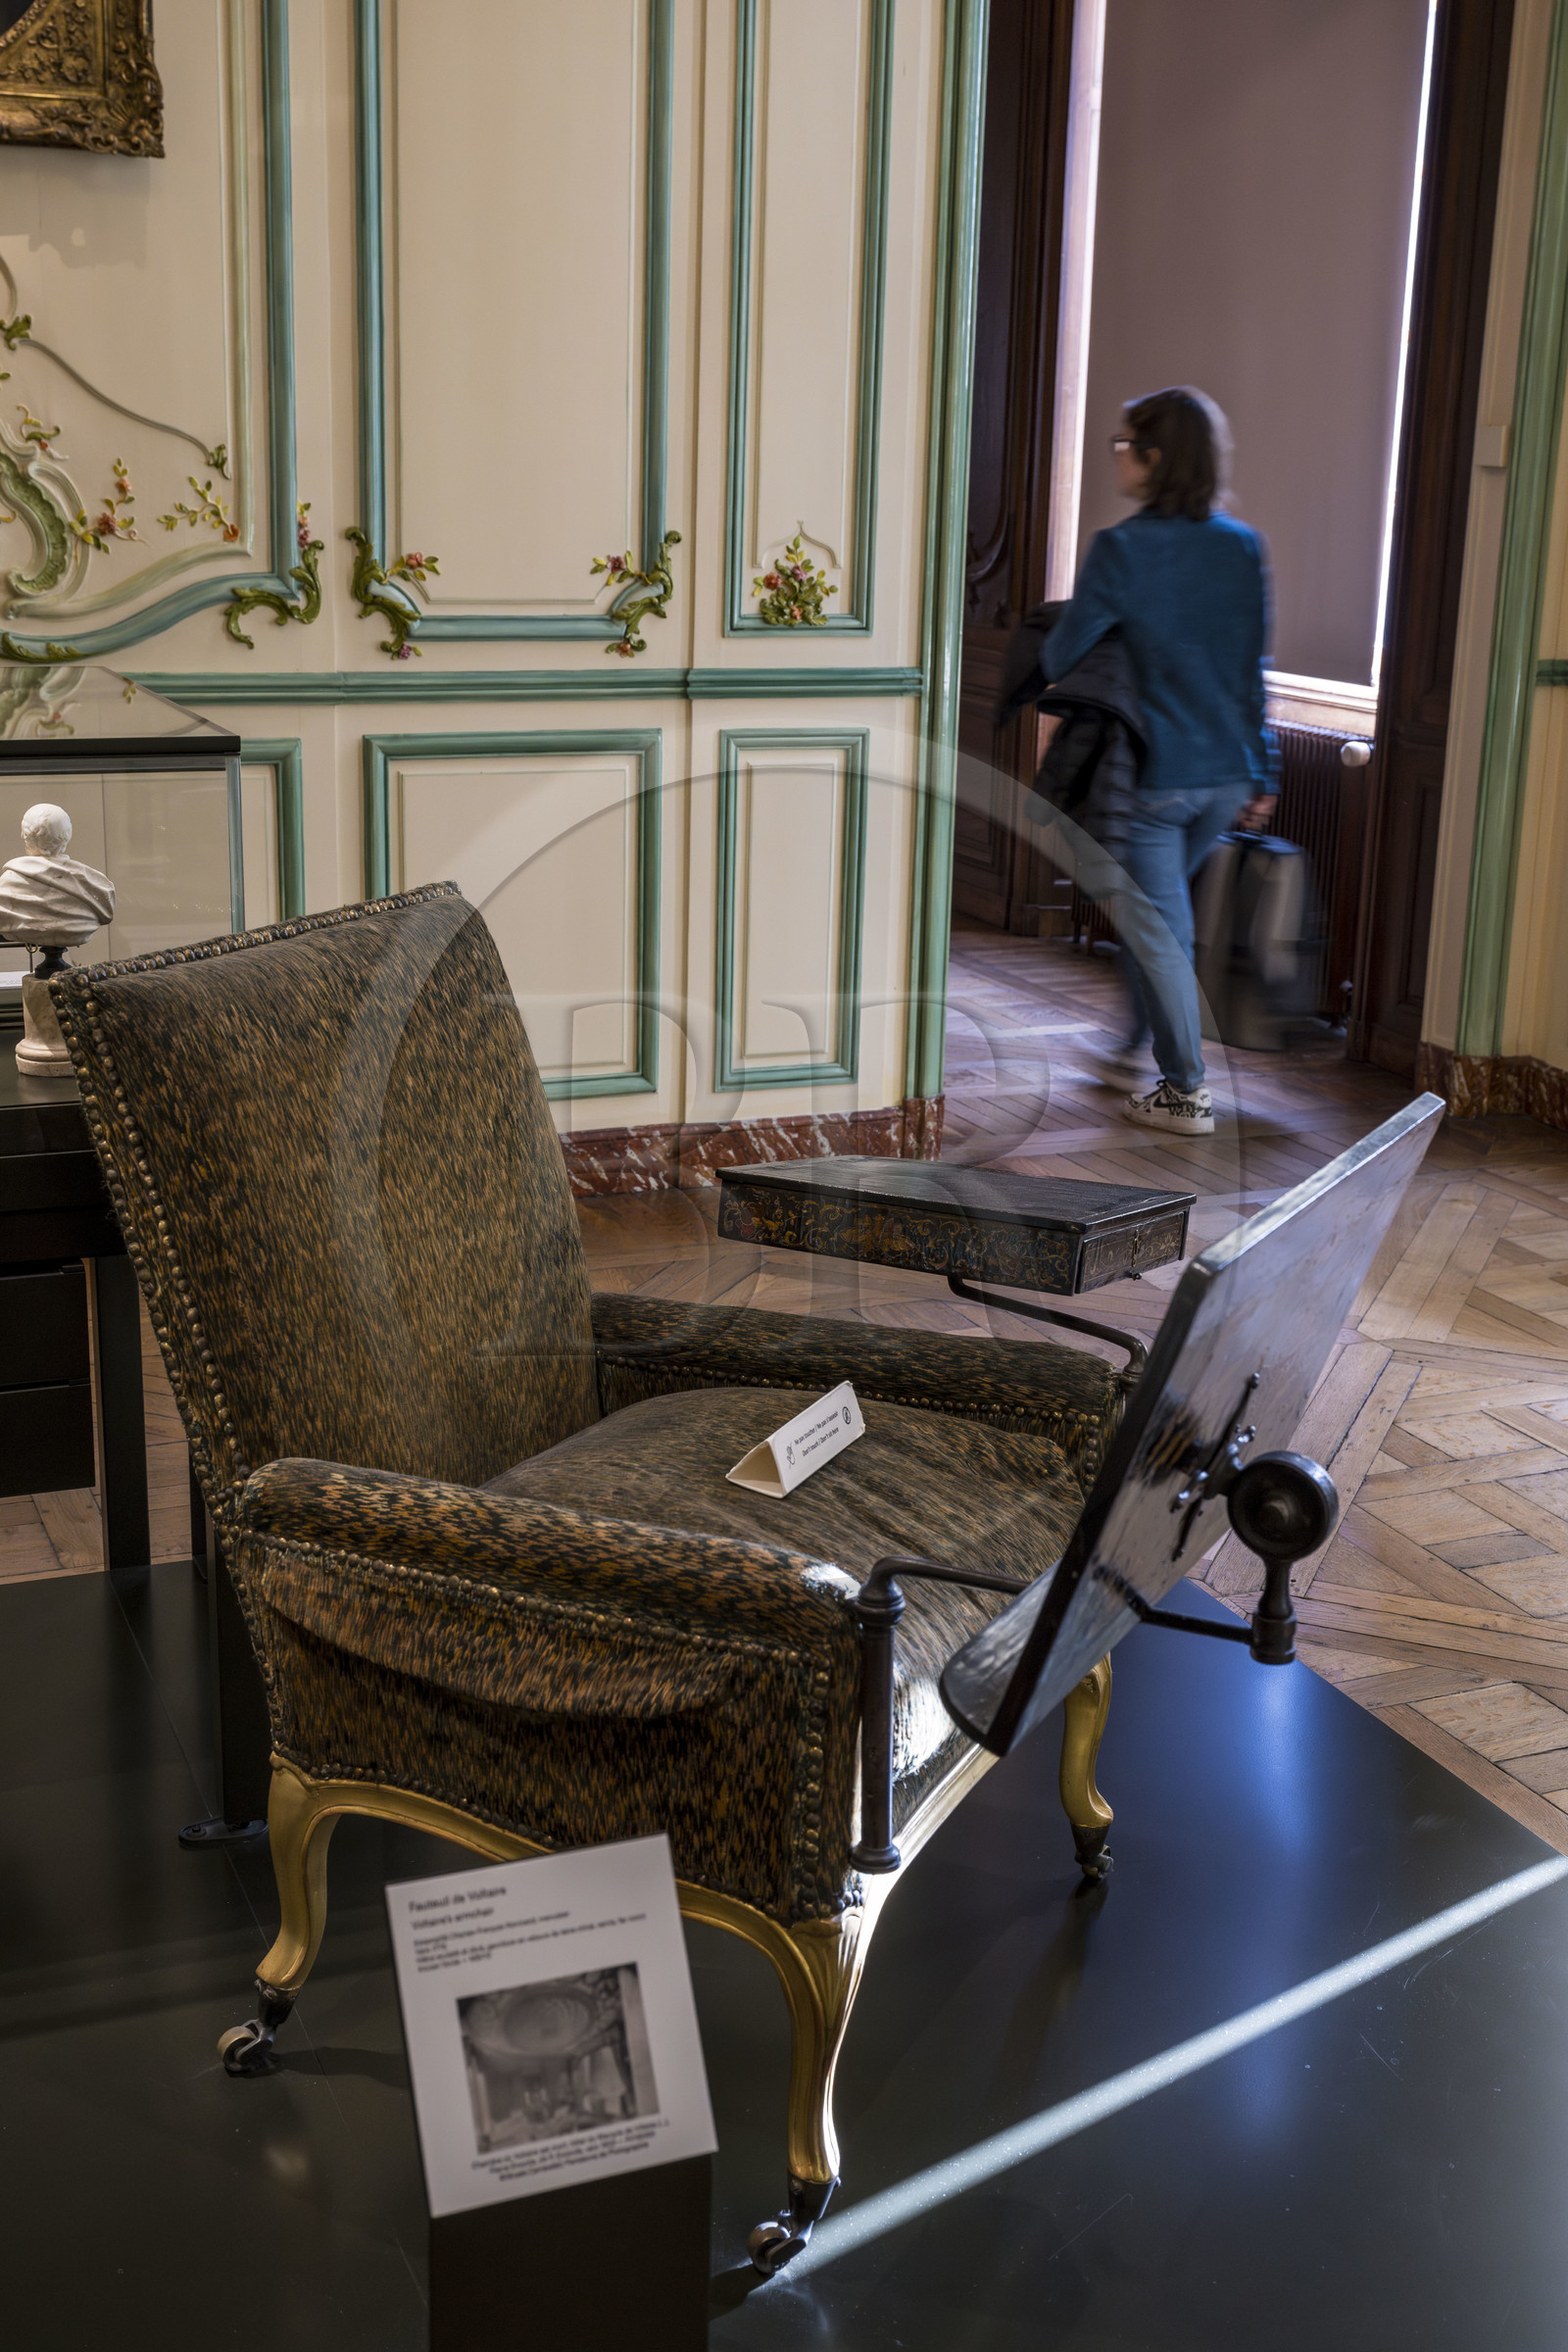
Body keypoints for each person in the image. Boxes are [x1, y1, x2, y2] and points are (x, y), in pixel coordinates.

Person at [1043, 386, 1276, 1136]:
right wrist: (1264, 771)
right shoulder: (1244, 545)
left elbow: (1060, 652)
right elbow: (1252, 669)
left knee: (1159, 932)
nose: (1119, 457)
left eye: (1125, 444)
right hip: (1229, 771)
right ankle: (1134, 1042)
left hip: (1156, 777)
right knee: (1159, 920)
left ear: (1152, 458)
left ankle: (1183, 1091)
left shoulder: (1123, 548)